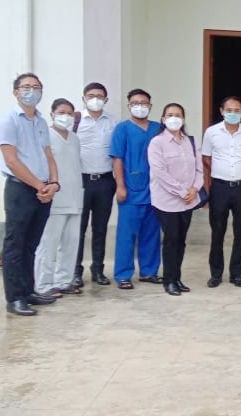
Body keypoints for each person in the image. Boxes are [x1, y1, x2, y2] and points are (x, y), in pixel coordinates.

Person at [1, 73, 60, 315]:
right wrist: (39, 185)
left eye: (36, 87)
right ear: (16, 92)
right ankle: (15, 298)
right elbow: (12, 160)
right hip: (21, 189)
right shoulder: (9, 120)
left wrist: (54, 183)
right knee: (15, 244)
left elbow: (48, 155)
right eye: (26, 87)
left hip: (44, 189)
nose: (31, 91)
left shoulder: (41, 122)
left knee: (31, 244)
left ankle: (28, 291)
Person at [148, 103, 204, 296]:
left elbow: (199, 168)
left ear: (184, 118)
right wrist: (182, 191)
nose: (174, 118)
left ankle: (177, 278)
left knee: (181, 240)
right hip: (167, 200)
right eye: (170, 115)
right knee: (171, 240)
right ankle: (169, 280)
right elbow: (159, 172)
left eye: (178, 115)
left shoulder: (190, 141)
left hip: (188, 200)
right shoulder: (157, 142)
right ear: (163, 119)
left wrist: (195, 188)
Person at [110, 88, 163, 290]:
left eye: (144, 103)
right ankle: (123, 274)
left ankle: (149, 271)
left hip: (156, 191)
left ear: (150, 106)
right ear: (129, 105)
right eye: (135, 103)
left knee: (152, 233)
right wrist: (120, 186)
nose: (140, 106)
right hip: (132, 189)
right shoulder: (122, 129)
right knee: (127, 234)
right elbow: (117, 158)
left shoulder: (158, 128)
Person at [201, 96, 241, 288]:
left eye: (237, 110)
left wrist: (238, 174)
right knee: (218, 232)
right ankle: (216, 274)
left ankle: (236, 274)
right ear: (221, 111)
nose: (233, 113)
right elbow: (206, 158)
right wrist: (222, 171)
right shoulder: (211, 132)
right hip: (220, 188)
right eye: (229, 110)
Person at [34, 99, 84, 297]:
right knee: (49, 244)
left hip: (75, 197)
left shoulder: (74, 138)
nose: (66, 116)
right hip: (54, 199)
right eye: (62, 112)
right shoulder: (45, 136)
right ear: (52, 113)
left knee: (70, 243)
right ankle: (43, 285)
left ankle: (63, 281)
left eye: (70, 113)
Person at [74, 82, 118, 287]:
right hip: (80, 181)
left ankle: (98, 270)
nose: (95, 99)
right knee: (78, 229)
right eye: (91, 95)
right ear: (83, 98)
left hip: (105, 181)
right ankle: (75, 271)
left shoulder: (112, 122)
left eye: (100, 96)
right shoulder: (74, 121)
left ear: (106, 100)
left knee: (100, 228)